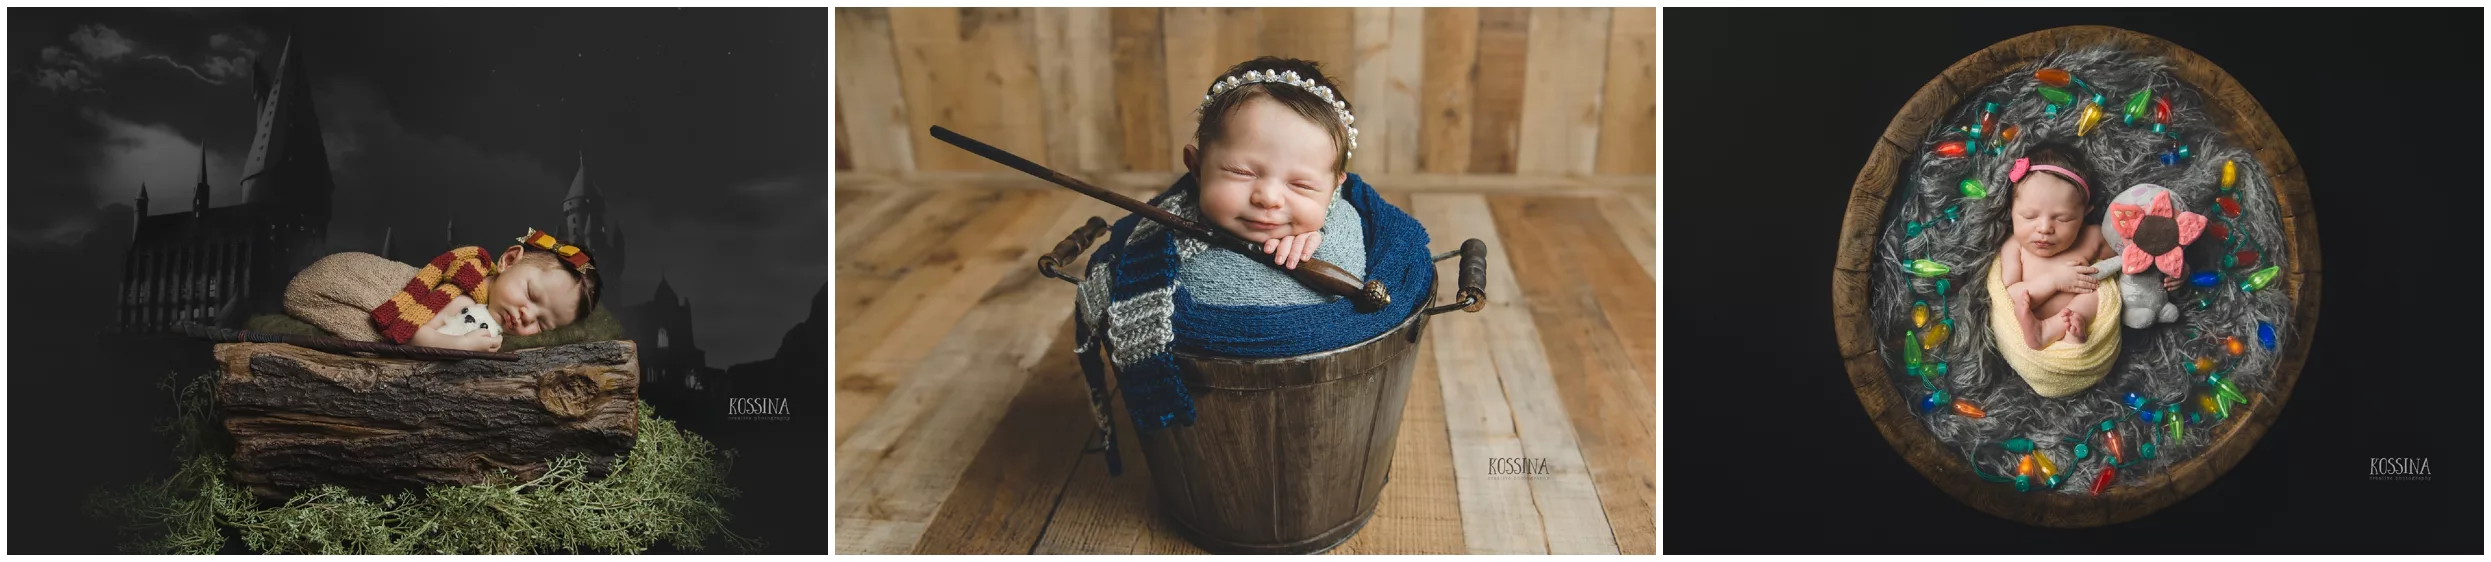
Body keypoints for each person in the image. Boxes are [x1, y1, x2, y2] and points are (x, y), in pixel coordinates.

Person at [283, 227, 602, 352]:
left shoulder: (486, 313)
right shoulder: (462, 292)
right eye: (532, 297)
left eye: (542, 323)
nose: (525, 316)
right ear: (507, 260)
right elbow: (414, 334)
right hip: (342, 280)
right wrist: (464, 346)